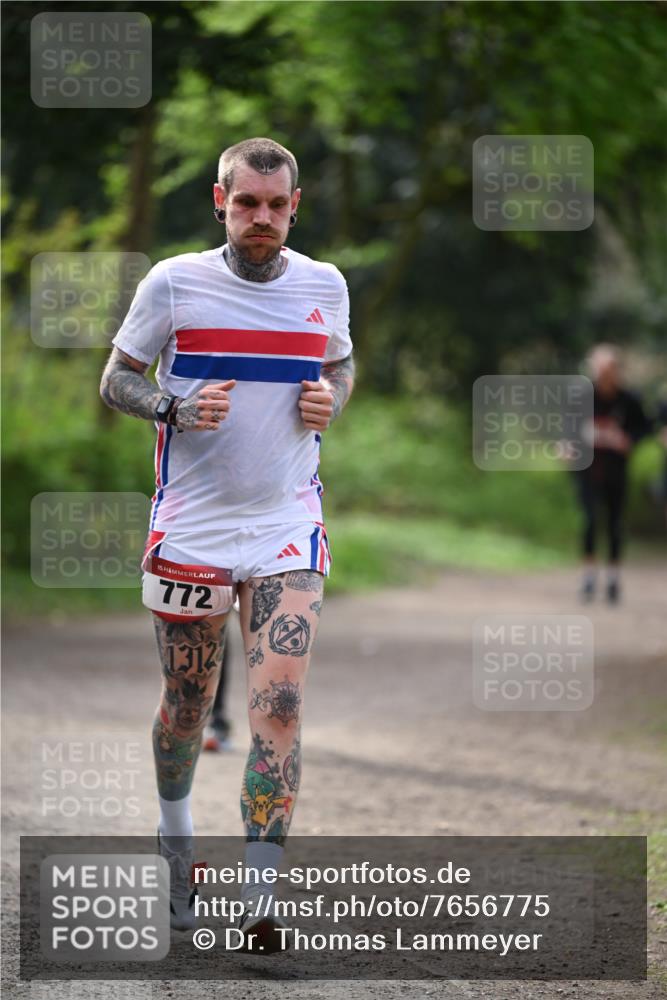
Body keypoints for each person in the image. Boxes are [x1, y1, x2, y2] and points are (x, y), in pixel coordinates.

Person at [99, 137, 354, 949]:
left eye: (276, 206)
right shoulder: (175, 281)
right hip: (194, 523)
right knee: (187, 703)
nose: (262, 219)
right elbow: (117, 378)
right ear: (220, 201)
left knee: (278, 705)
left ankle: (258, 898)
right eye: (247, 204)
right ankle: (178, 850)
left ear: (295, 206)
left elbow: (341, 370)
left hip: (287, 521)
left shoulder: (324, 284)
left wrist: (330, 403)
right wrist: (172, 408)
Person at [573, 344, 651, 604]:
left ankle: (614, 576)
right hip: (587, 469)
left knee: (615, 523)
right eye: (599, 368)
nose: (604, 374)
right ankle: (588, 575)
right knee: (590, 520)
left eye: (608, 369)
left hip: (616, 470)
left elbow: (644, 429)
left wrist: (626, 440)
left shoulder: (630, 400)